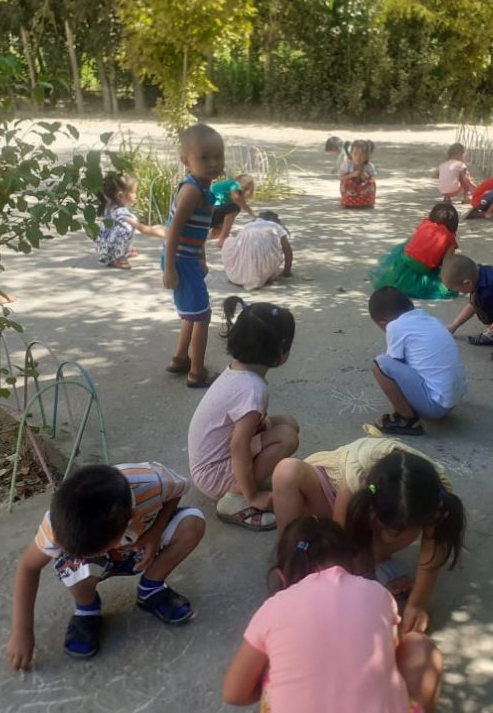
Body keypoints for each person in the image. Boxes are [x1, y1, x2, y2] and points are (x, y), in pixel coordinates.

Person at [222, 516, 444, 713]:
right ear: (354, 564)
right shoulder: (377, 592)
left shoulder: (273, 607)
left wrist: (277, 687)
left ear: (282, 576)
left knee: (270, 663)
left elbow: (233, 693)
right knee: (420, 646)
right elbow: (390, 658)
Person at [5, 463, 205, 669]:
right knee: (70, 563)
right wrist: (22, 631)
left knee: (193, 524)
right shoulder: (58, 524)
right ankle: (87, 607)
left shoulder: (153, 480)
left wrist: (155, 531)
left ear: (130, 517)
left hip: (141, 542)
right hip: (110, 555)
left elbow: (178, 490)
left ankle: (150, 589)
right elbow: (28, 567)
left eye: (95, 551)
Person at [272, 435, 466, 635]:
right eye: (389, 529)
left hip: (366, 515)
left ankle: (374, 560)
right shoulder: (360, 469)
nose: (393, 536)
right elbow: (340, 538)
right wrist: (341, 591)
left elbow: (433, 552)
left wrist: (417, 604)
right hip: (328, 504)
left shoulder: (436, 494)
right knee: (287, 472)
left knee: (392, 535)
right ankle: (294, 562)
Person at [187, 297, 300, 532]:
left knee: (288, 423)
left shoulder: (237, 371)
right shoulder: (253, 389)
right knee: (287, 438)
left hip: (209, 462)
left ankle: (246, 482)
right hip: (213, 474)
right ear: (281, 351)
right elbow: (238, 446)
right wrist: (253, 494)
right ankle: (236, 498)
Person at [162, 123, 224, 388]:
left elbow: (196, 232)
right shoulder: (191, 191)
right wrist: (170, 268)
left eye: (218, 156)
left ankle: (180, 358)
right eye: (204, 158)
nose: (213, 163)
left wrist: (202, 258)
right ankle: (197, 373)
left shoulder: (203, 189)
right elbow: (173, 231)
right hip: (180, 261)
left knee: (192, 313)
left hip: (188, 260)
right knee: (202, 316)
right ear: (186, 161)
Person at [368, 287, 466, 436]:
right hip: (453, 400)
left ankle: (406, 420)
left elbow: (393, 363)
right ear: (410, 305)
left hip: (436, 407)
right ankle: (416, 407)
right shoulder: (431, 320)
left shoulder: (394, 326)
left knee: (381, 365)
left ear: (382, 323)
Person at [372, 203, 459, 300]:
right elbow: (447, 262)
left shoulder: (425, 223)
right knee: (446, 288)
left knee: (407, 247)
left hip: (404, 260)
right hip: (421, 269)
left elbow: (416, 239)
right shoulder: (450, 239)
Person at [94, 172, 165, 269]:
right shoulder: (124, 214)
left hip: (103, 250)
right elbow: (143, 229)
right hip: (111, 255)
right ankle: (118, 258)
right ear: (120, 196)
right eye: (133, 192)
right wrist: (165, 233)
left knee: (120, 227)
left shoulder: (109, 207)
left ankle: (126, 250)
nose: (136, 195)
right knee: (126, 228)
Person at [220, 211, 293, 291]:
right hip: (265, 255)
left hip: (246, 255)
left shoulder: (248, 226)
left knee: (231, 242)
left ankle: (242, 275)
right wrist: (287, 271)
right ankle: (263, 274)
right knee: (273, 246)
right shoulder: (276, 226)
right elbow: (287, 250)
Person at [209, 173, 256, 248]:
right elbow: (236, 199)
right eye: (245, 187)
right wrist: (252, 214)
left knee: (230, 208)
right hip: (209, 211)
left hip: (210, 212)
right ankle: (223, 238)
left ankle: (216, 232)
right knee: (235, 208)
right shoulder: (234, 184)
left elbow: (241, 202)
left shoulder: (230, 188)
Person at [339, 139, 376, 209]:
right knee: (347, 182)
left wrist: (366, 178)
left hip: (364, 191)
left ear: (366, 156)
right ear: (351, 154)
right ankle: (348, 202)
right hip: (350, 191)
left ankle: (367, 202)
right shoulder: (347, 165)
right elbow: (341, 178)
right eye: (355, 154)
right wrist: (351, 175)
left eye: (362, 155)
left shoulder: (369, 167)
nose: (358, 157)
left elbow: (372, 181)